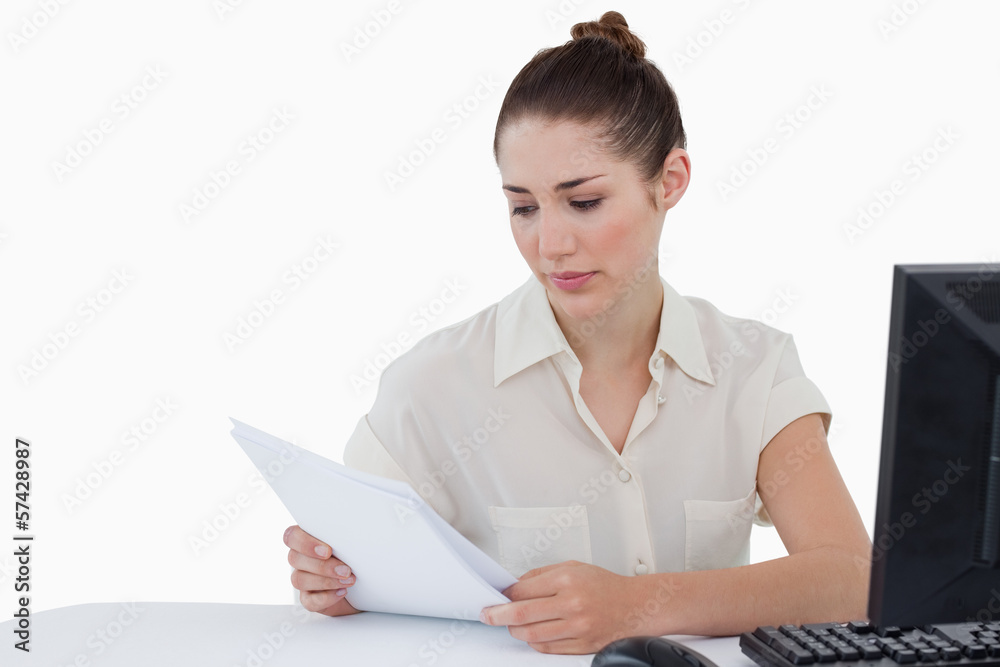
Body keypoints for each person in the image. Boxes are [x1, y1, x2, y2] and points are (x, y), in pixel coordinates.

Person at [283, 10, 871, 655]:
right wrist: (333, 585)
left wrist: (634, 606)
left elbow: (851, 579)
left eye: (584, 202)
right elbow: (357, 583)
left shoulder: (755, 369)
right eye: (523, 208)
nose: (551, 244)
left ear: (669, 181)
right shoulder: (432, 384)